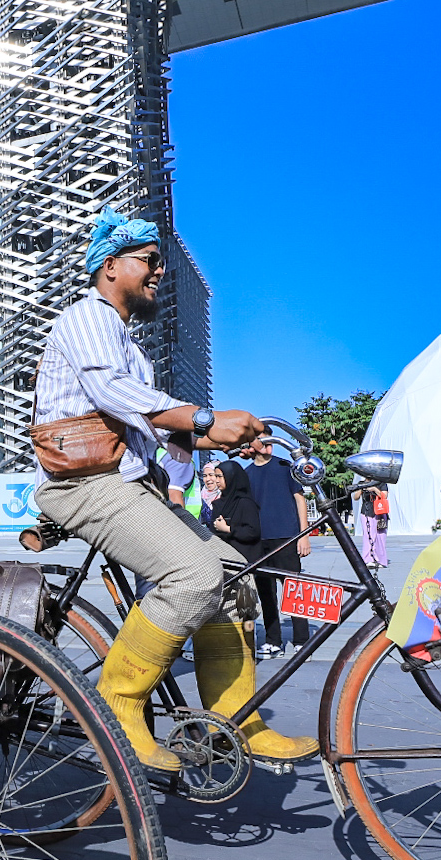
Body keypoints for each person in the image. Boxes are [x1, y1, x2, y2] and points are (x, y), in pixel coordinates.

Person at [31, 205, 307, 771]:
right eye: (149, 259)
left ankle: (237, 722)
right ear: (110, 266)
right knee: (195, 574)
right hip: (83, 483)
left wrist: (224, 436)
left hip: (127, 481)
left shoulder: (130, 346)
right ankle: (117, 704)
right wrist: (205, 417)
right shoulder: (87, 318)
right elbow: (112, 393)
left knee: (234, 577)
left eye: (161, 261)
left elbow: (150, 426)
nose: (160, 270)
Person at [246, 438, 312, 658]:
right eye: (263, 442)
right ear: (252, 446)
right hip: (259, 541)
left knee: (294, 589)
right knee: (266, 593)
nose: (268, 446)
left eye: (270, 442)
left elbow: (300, 499)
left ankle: (302, 641)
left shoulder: (285, 467)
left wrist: (303, 535)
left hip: (286, 537)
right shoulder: (247, 473)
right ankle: (273, 641)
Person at [201, 459, 260, 554]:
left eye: (220, 476)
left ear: (230, 477)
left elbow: (252, 532)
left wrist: (227, 529)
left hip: (245, 556)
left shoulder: (245, 503)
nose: (217, 480)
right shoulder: (218, 504)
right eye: (216, 476)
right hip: (225, 555)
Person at [358, 481, 390, 569]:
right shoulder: (362, 483)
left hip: (380, 512)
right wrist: (361, 488)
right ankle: (368, 559)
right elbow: (355, 497)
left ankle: (381, 560)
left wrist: (374, 489)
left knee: (380, 537)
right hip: (367, 512)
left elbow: (384, 496)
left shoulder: (381, 483)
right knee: (368, 536)